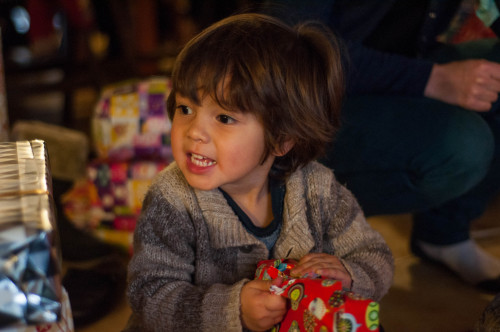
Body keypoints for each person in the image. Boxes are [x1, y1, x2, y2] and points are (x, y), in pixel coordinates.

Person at [124, 13, 394, 331]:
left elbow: (376, 254)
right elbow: (149, 295)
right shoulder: (173, 198)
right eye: (186, 109)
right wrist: (233, 309)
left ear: (280, 140)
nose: (194, 131)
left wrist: (350, 274)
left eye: (224, 118)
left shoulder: (316, 188)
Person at [263, 0, 500, 292]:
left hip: (392, 71)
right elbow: (288, 45)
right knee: (463, 145)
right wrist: (433, 80)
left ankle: (443, 235)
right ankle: (303, 231)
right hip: (309, 101)